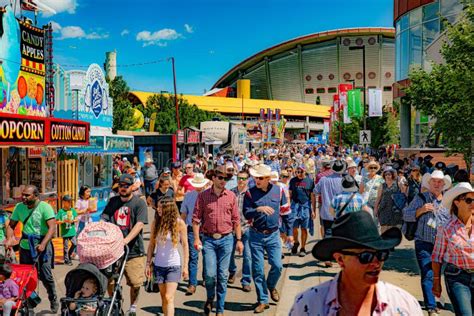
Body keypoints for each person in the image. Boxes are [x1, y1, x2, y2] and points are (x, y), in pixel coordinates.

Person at [290, 211, 422, 315]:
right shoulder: (308, 304)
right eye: (366, 256)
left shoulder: (404, 305)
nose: (376, 263)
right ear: (340, 260)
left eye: (382, 254)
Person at [192, 166, 243, 316]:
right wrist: (196, 239)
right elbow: (196, 220)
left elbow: (236, 220)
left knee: (222, 275)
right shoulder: (203, 196)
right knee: (209, 275)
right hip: (208, 240)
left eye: (226, 179)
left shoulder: (231, 196)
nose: (223, 181)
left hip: (227, 239)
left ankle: (219, 309)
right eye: (220, 178)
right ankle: (209, 298)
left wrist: (239, 240)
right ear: (213, 178)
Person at [403, 170, 451, 315]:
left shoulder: (448, 200)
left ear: (443, 184)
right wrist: (420, 210)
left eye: (439, 182)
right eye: (434, 181)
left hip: (443, 245)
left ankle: (440, 298)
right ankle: (431, 306)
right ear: (429, 183)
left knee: (441, 273)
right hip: (423, 242)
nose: (437, 184)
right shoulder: (421, 197)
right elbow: (406, 214)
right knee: (428, 272)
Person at [4, 185, 58, 313]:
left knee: (46, 276)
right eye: (23, 194)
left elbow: (52, 228)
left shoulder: (45, 207)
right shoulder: (19, 207)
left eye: (27, 195)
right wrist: (9, 239)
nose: (23, 197)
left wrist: (44, 243)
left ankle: (53, 298)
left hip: (42, 246)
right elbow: (11, 225)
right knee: (26, 278)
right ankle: (29, 305)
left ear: (36, 196)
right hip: (25, 247)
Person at [244, 164, 289, 313]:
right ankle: (262, 300)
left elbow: (285, 212)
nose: (257, 180)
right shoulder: (250, 193)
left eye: (261, 178)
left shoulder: (279, 191)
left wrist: (287, 233)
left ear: (268, 179)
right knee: (257, 269)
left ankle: (271, 285)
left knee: (277, 265)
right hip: (256, 234)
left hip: (274, 234)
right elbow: (246, 213)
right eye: (256, 177)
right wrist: (258, 209)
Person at [101, 174, 148, 316]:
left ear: (132, 187)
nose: (123, 188)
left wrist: (126, 240)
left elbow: (139, 224)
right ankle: (114, 302)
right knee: (110, 280)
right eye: (121, 185)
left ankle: (133, 306)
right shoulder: (113, 201)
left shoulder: (139, 203)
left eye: (126, 186)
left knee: (135, 282)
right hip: (114, 250)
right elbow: (105, 219)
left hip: (133, 250)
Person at [432, 182, 474, 316]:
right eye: (468, 200)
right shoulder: (446, 227)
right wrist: (436, 282)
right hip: (458, 278)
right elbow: (437, 257)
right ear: (456, 202)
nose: (473, 203)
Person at [146, 197, 188, 316]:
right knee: (164, 298)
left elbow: (185, 246)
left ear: (168, 209)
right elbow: (151, 245)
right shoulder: (156, 223)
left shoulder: (179, 223)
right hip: (159, 265)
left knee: (169, 297)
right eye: (158, 207)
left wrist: (185, 267)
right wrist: (148, 263)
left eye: (161, 207)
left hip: (173, 265)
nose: (158, 209)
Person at [179, 173, 209, 295]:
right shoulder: (188, 196)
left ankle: (207, 278)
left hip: (207, 230)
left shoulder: (209, 195)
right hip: (192, 229)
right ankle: (192, 283)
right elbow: (183, 214)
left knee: (207, 256)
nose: (198, 187)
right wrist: (180, 230)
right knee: (193, 257)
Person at [228, 170, 252, 292]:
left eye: (243, 178)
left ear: (248, 180)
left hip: (247, 227)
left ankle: (246, 280)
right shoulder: (231, 192)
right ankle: (232, 271)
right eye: (239, 178)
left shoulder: (250, 193)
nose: (241, 180)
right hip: (232, 228)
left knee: (247, 256)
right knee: (229, 254)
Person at [288, 165, 315, 257]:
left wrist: (313, 210)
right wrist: (287, 206)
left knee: (304, 229)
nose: (299, 174)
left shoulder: (310, 181)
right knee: (294, 228)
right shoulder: (293, 181)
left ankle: (303, 248)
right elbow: (290, 194)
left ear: (305, 172)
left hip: (305, 207)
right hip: (294, 207)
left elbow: (312, 196)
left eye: (301, 172)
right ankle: (296, 242)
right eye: (297, 172)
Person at [374, 167, 405, 233]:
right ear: (384, 176)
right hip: (384, 210)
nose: (387, 176)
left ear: (392, 175)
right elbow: (378, 198)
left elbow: (403, 196)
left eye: (389, 174)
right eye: (386, 174)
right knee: (384, 230)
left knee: (394, 231)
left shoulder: (398, 184)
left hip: (395, 211)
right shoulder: (382, 185)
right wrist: (375, 209)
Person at [56, 195, 78, 265]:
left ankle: (69, 254)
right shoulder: (61, 211)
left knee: (74, 244)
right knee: (65, 247)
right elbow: (56, 221)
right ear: (64, 202)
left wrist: (73, 221)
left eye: (70, 201)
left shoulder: (72, 210)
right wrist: (63, 221)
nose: (70, 203)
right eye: (68, 201)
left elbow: (76, 219)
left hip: (72, 231)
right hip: (65, 232)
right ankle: (66, 260)